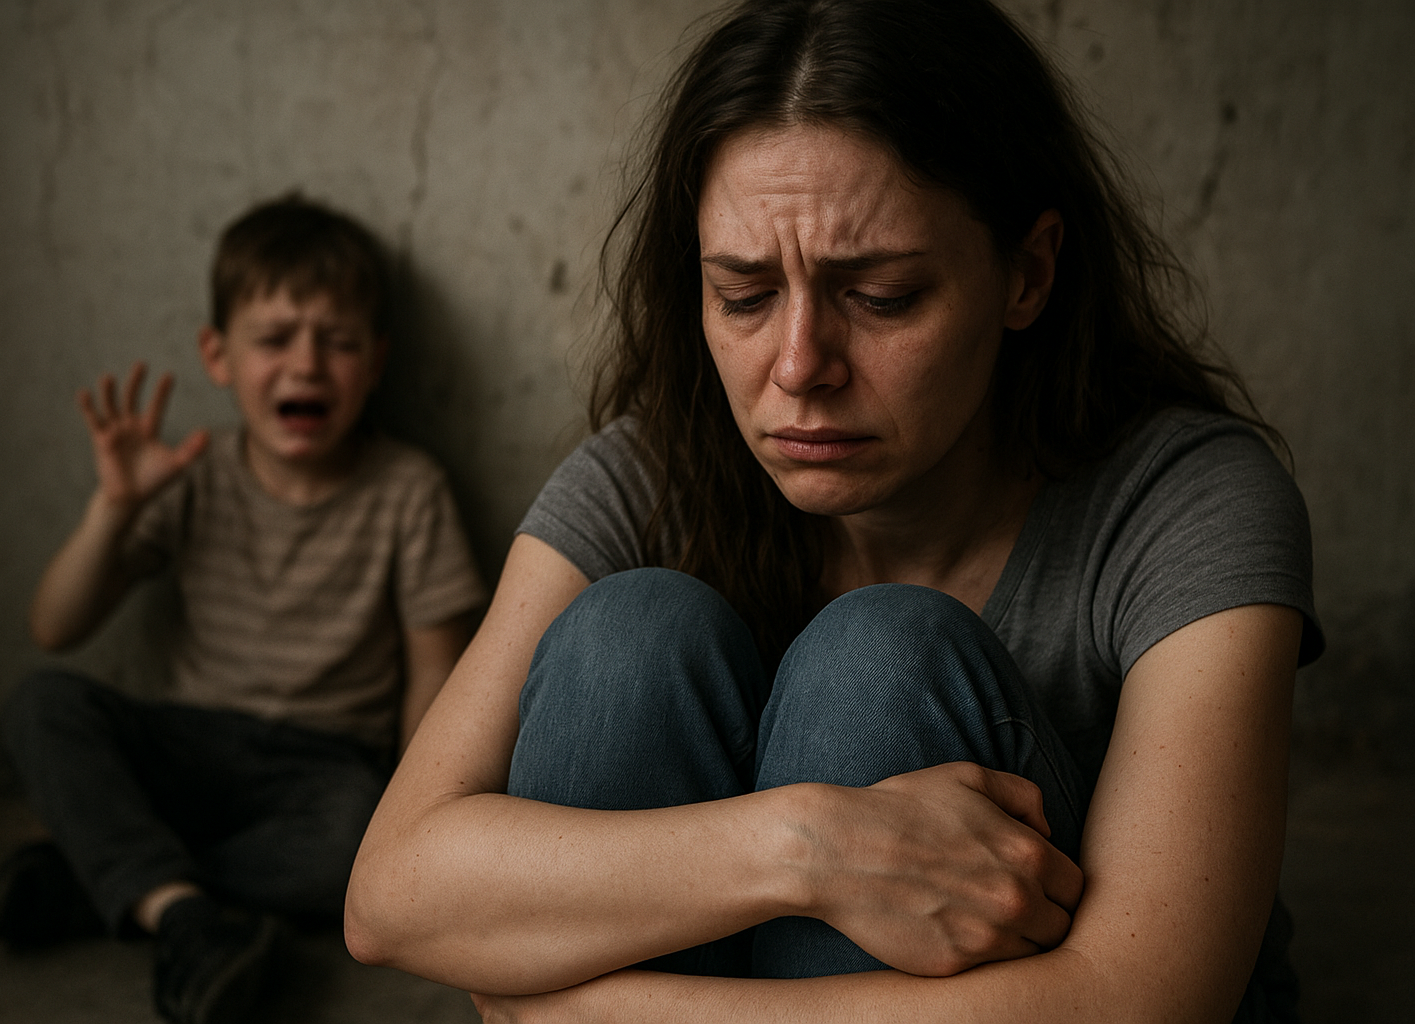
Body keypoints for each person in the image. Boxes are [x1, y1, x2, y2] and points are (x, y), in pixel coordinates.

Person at [344, 0, 1321, 1020]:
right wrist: (809, 844)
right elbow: (392, 895)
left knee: (879, 662)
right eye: (745, 294)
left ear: (1026, 273)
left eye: (883, 295)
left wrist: (585, 1007)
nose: (800, 367)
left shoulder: (1190, 500)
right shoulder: (652, 472)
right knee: (626, 638)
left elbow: (1146, 994)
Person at [0, 195, 487, 1024]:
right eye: (275, 339)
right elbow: (55, 626)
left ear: (378, 360)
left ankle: (124, 884)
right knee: (43, 703)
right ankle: (183, 912)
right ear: (217, 354)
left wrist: (414, 821)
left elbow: (436, 672)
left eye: (339, 341)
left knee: (360, 839)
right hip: (189, 748)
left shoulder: (408, 489)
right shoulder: (196, 473)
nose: (307, 364)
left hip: (322, 773)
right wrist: (113, 509)